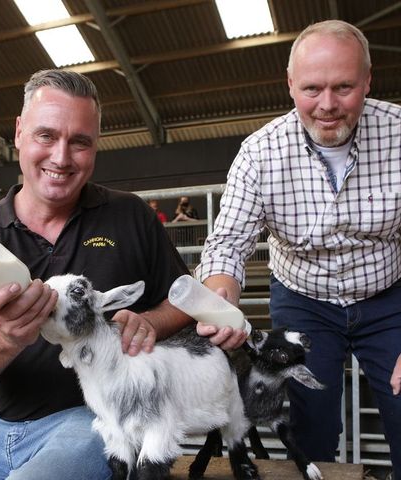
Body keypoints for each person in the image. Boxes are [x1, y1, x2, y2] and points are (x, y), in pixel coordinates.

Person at [0, 69, 191, 480]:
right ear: (18, 132)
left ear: (96, 145)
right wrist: (6, 334)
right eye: (46, 135)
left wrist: (148, 322)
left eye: (80, 142)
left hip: (99, 417)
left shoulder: (130, 216)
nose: (62, 158)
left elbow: (185, 303)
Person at [195, 20, 401, 479]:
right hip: (304, 300)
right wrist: (219, 295)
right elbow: (227, 242)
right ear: (290, 85)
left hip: (389, 297)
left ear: (368, 80)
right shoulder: (259, 154)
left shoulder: (399, 134)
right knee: (309, 422)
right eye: (312, 89)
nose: (327, 106)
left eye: (344, 87)